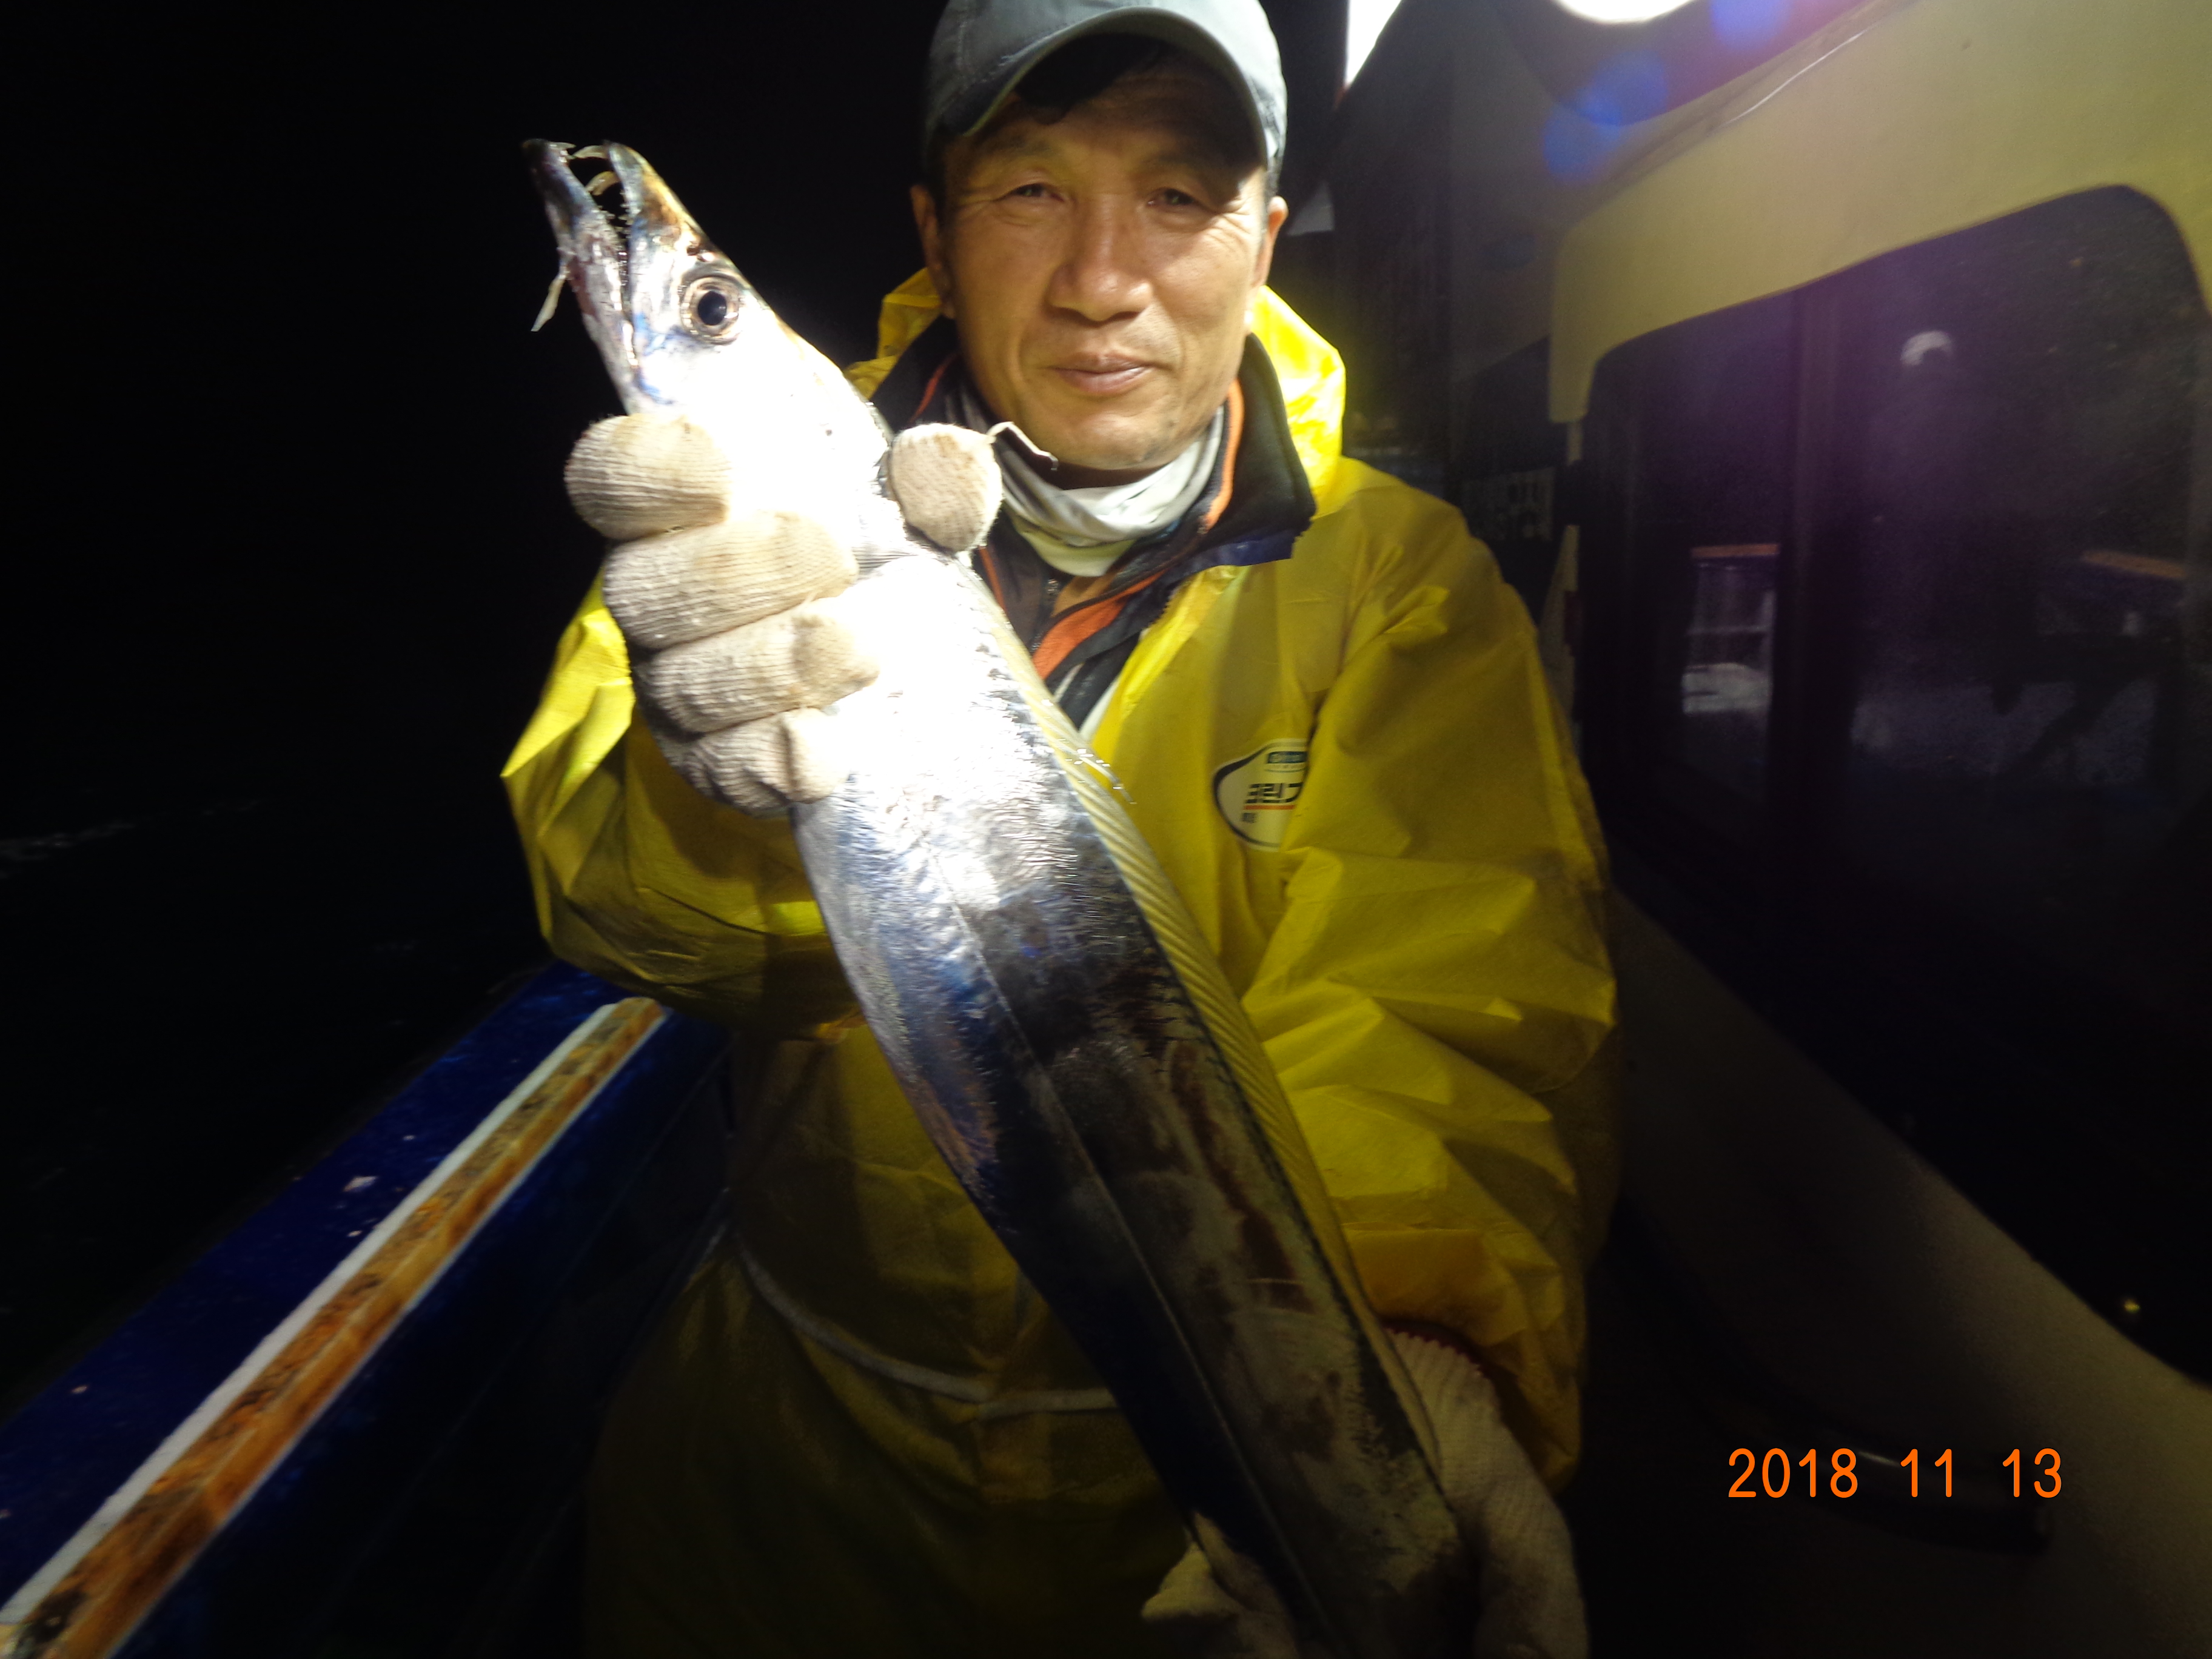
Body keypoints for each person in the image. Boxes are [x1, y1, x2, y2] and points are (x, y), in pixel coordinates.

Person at [503, 1, 1618, 1653]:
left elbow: (1450, 995)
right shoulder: (738, 533)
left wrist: (1407, 1364)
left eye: (1180, 196)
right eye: (1031, 191)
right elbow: (624, 913)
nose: (1104, 280)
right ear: (934, 232)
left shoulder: (1397, 581)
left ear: (1264, 239)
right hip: (797, 1498)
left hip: (1177, 1537)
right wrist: (720, 778)